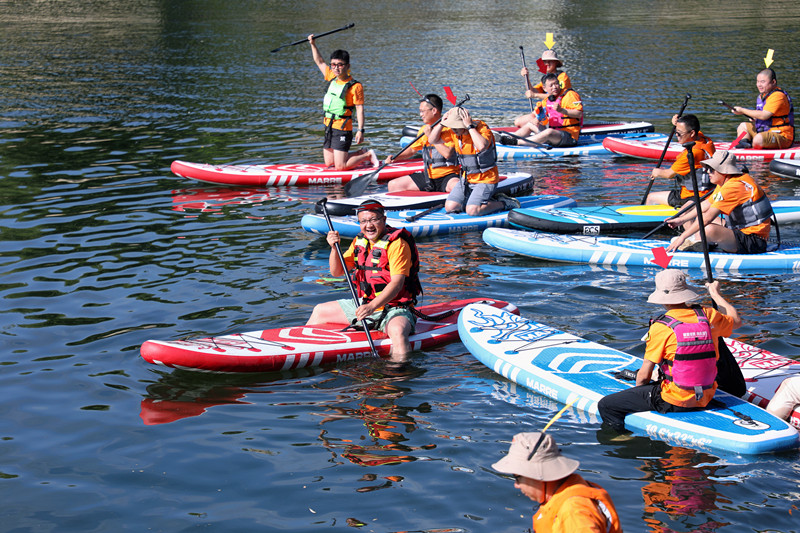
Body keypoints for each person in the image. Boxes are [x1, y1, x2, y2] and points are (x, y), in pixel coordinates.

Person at [598, 269, 741, 433]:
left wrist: (639, 394)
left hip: (673, 401)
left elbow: (644, 376)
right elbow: (736, 321)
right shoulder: (709, 316)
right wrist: (715, 294)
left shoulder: (661, 327)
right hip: (706, 396)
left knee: (607, 405)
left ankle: (621, 437)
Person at [306, 200, 421, 361]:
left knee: (398, 333)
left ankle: (399, 375)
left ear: (384, 220)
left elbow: (397, 283)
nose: (369, 225)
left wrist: (371, 307)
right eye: (364, 221)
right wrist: (334, 248)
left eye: (374, 219)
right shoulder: (359, 241)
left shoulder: (397, 244)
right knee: (319, 311)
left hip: (396, 308)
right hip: (366, 303)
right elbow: (337, 271)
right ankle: (305, 351)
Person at [492, 432, 622, 533]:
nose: (516, 485)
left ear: (536, 475)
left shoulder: (574, 510)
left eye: (517, 477)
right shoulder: (568, 491)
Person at [666, 150, 774, 254]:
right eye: (707, 168)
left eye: (711, 169)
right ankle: (700, 242)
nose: (707, 171)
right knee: (700, 216)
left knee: (707, 229)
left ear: (724, 171)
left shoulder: (734, 186)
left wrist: (682, 237)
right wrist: (681, 220)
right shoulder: (726, 182)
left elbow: (708, 218)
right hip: (740, 230)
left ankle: (697, 242)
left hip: (754, 241)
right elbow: (706, 205)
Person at [428, 107, 519, 215]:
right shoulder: (455, 132)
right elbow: (432, 139)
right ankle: (479, 200)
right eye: (452, 127)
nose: (453, 130)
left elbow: (481, 146)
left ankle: (504, 203)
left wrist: (470, 127)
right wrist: (442, 123)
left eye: (456, 126)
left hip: (486, 179)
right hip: (467, 179)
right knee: (450, 207)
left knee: (472, 211)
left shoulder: (482, 128)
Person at [308, 34, 377, 170]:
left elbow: (360, 109)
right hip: (329, 125)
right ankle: (360, 152)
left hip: (343, 127)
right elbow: (319, 61)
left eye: (340, 65)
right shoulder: (331, 77)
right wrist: (313, 44)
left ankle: (368, 155)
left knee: (340, 166)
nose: (336, 68)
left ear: (347, 66)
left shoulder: (355, 86)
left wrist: (360, 130)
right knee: (329, 163)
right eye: (333, 64)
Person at [385, 94, 460, 193]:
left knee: (457, 187)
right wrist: (395, 158)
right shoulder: (423, 130)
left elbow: (448, 154)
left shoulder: (450, 129)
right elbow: (412, 150)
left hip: (448, 176)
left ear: (434, 111)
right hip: (428, 177)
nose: (421, 115)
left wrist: (431, 136)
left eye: (422, 111)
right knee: (393, 185)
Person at [645, 114, 716, 207]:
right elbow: (691, 128)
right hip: (709, 192)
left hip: (693, 196)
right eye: (675, 131)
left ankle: (648, 220)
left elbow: (669, 174)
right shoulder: (705, 140)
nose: (676, 135)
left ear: (692, 133)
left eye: (679, 133)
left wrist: (657, 172)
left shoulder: (691, 154)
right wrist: (677, 123)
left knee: (650, 197)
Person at [507, 73, 583, 148]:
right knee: (531, 124)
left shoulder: (570, 95)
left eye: (556, 84)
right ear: (545, 88)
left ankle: (518, 142)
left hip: (569, 136)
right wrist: (537, 119)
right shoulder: (547, 100)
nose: (554, 87)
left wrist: (562, 110)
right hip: (554, 135)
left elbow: (579, 114)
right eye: (551, 85)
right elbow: (543, 117)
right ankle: (509, 138)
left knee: (549, 131)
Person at [732, 68, 795, 150]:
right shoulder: (762, 95)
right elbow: (761, 115)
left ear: (773, 82)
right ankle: (745, 143)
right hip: (765, 132)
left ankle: (753, 142)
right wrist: (754, 118)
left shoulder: (778, 96)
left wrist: (742, 110)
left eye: (762, 82)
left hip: (782, 135)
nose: (759, 85)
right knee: (743, 126)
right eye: (758, 82)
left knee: (758, 139)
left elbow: (764, 115)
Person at [513, 49, 572, 127]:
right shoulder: (547, 78)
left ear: (556, 63)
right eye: (545, 61)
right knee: (518, 122)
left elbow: (557, 97)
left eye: (550, 61)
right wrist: (526, 77)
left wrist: (535, 95)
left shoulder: (562, 77)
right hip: (546, 109)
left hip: (558, 111)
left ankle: (540, 129)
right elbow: (533, 91)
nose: (547, 64)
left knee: (522, 122)